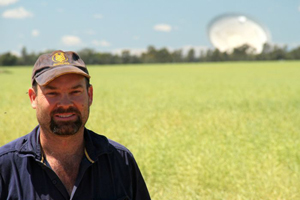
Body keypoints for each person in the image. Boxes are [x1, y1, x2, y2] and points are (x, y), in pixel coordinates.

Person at [0, 50, 151, 200]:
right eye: (53, 93)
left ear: (89, 95)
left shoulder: (119, 161)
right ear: (33, 98)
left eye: (75, 92)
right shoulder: (6, 166)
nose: (65, 104)